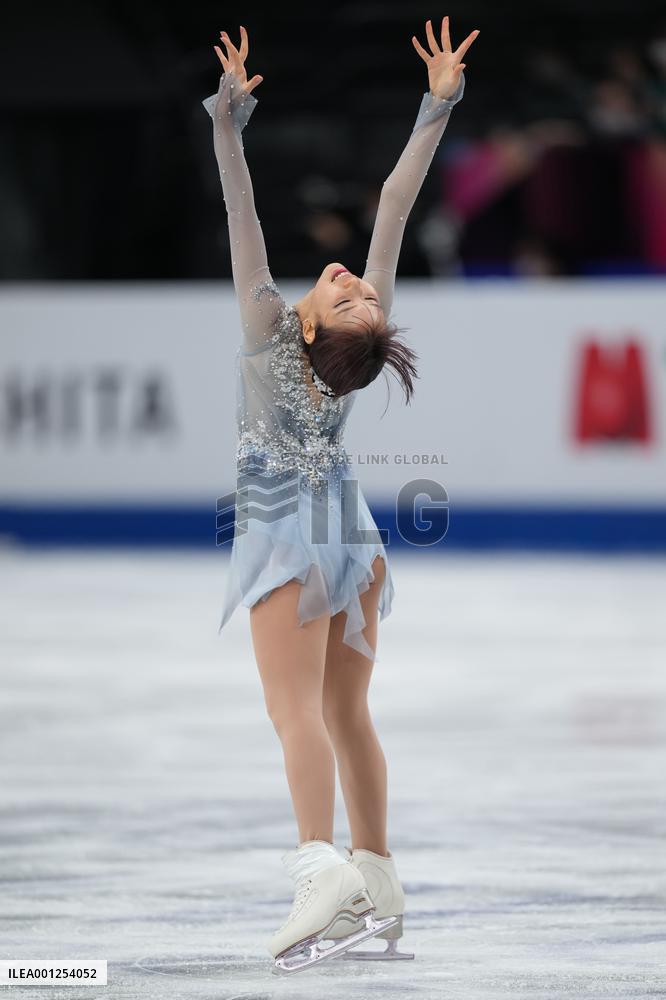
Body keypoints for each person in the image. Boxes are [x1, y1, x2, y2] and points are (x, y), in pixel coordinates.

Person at [202, 15, 479, 974]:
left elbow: (246, 222)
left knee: (297, 713)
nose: (355, 280)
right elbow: (395, 210)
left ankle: (319, 864)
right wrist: (436, 108)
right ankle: (381, 874)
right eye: (363, 290)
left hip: (285, 524)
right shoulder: (338, 339)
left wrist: (229, 133)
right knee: (350, 712)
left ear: (318, 335)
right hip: (352, 530)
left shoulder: (265, 328)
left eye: (357, 295)